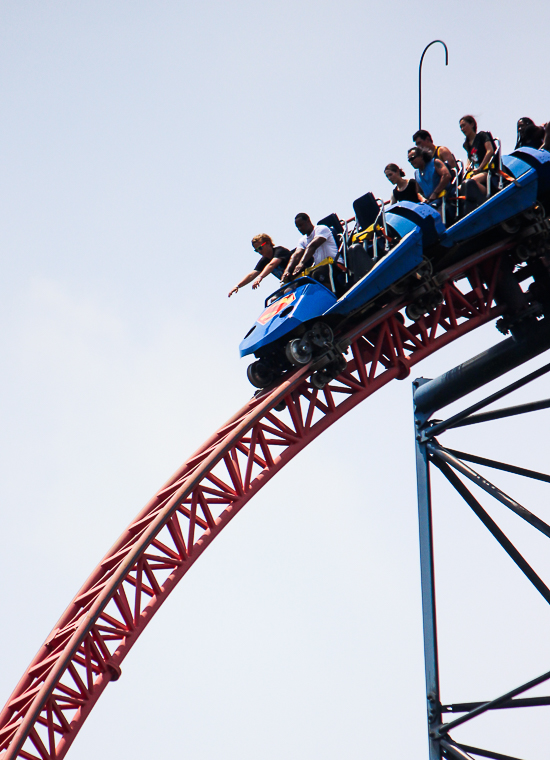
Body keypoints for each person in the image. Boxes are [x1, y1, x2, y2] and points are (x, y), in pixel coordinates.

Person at [282, 213, 338, 280]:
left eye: (301, 225)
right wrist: (287, 271)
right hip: (320, 268)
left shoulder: (321, 229)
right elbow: (296, 254)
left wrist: (301, 263)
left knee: (317, 275)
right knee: (299, 282)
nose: (299, 229)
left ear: (308, 221)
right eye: (297, 227)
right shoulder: (302, 240)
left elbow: (312, 246)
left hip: (334, 264)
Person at [459, 115, 495, 193]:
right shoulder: (466, 144)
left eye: (464, 126)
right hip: (475, 171)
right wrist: (467, 166)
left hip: (486, 170)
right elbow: (470, 157)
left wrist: (480, 168)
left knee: (470, 183)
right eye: (461, 127)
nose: (462, 129)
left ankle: (487, 195)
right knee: (459, 188)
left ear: (472, 124)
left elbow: (490, 151)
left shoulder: (482, 136)